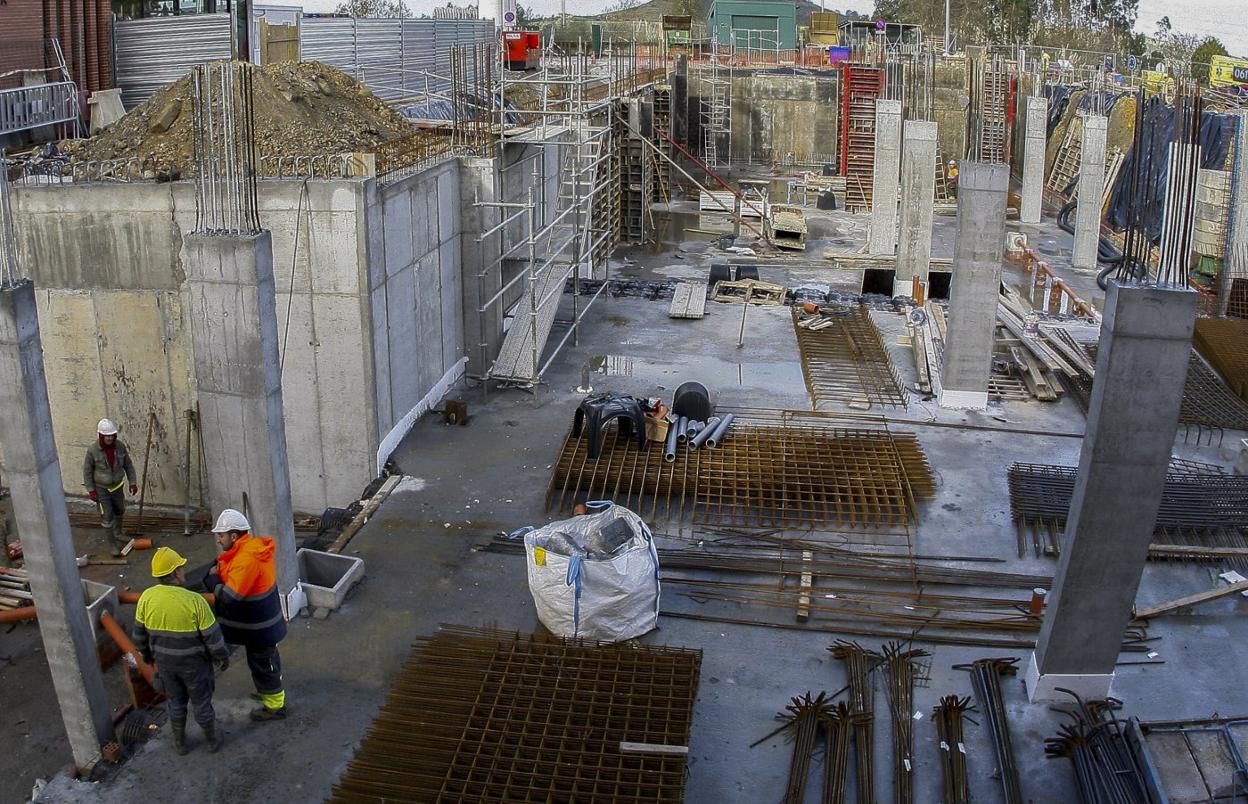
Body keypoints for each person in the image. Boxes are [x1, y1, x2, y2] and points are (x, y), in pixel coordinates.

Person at [133, 546, 230, 755]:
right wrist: (222, 658)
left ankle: (180, 743)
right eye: (182, 568)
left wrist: (149, 657)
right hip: (195, 666)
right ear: (176, 573)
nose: (184, 572)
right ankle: (212, 740)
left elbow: (139, 637)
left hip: (166, 665)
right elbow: (213, 639)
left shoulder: (146, 598)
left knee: (175, 703)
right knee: (201, 702)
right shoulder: (195, 601)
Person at [207, 509, 288, 721]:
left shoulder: (246, 559)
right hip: (261, 626)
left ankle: (275, 707)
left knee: (264, 665)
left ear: (234, 536)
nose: (218, 539)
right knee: (261, 662)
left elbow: (229, 596)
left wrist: (214, 581)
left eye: (221, 535)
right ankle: (267, 693)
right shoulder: (250, 549)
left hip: (260, 628)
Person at [82, 418, 138, 557]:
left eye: (112, 435)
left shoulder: (120, 447)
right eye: (106, 436)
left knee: (120, 510)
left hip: (117, 487)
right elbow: (87, 471)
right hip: (102, 489)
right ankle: (113, 544)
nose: (109, 438)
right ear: (101, 436)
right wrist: (91, 490)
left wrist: (133, 482)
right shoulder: (92, 451)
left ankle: (118, 533)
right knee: (107, 516)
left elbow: (128, 465)